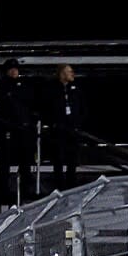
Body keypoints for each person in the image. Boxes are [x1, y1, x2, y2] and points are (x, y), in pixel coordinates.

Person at [0, 59, 37, 209]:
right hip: (7, 129)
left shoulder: (23, 86)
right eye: (11, 69)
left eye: (16, 69)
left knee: (25, 161)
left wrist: (29, 122)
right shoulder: (1, 86)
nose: (14, 71)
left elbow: (29, 104)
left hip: (23, 129)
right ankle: (3, 191)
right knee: (5, 160)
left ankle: (26, 190)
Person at [42, 64, 82, 192]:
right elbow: (46, 108)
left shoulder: (75, 89)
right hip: (58, 129)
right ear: (62, 74)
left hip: (72, 129)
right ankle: (59, 185)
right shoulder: (52, 90)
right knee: (58, 159)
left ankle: (72, 184)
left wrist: (77, 123)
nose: (72, 74)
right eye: (69, 72)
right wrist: (53, 123)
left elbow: (82, 107)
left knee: (72, 159)